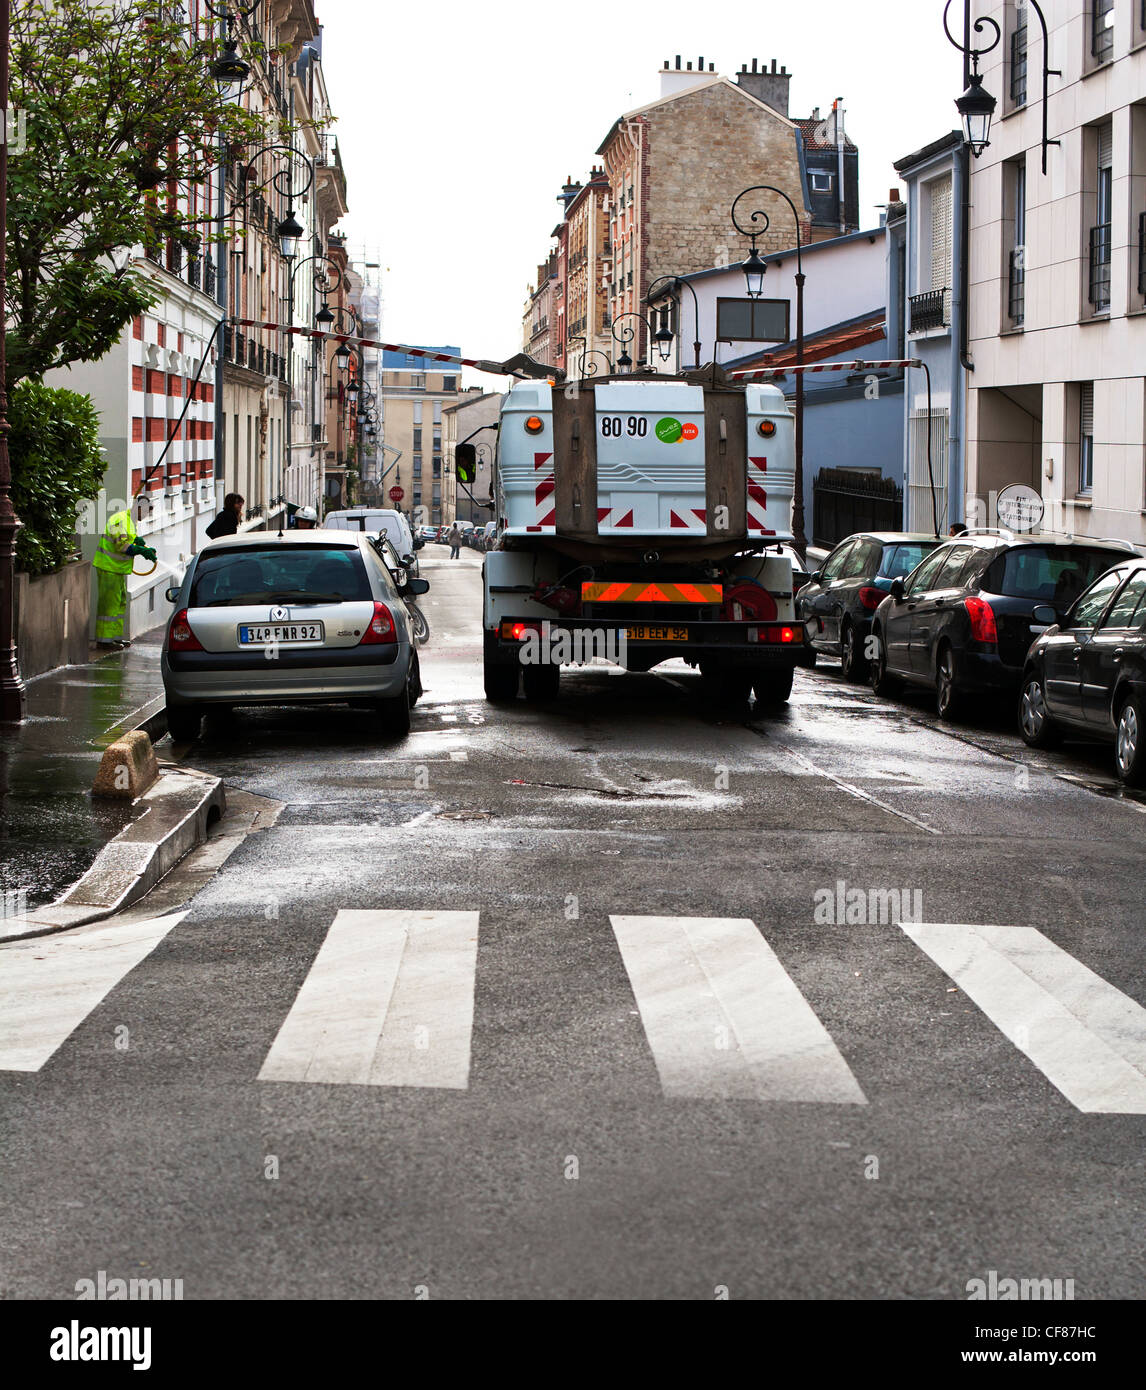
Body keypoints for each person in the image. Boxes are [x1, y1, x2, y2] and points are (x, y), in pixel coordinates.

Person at [92, 505, 156, 648]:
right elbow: (121, 546)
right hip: (108, 567)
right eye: (145, 512)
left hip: (116, 569)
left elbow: (128, 539)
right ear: (138, 508)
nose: (145, 516)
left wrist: (137, 541)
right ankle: (104, 641)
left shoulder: (130, 520)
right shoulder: (119, 520)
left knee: (120, 602)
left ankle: (114, 637)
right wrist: (140, 550)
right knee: (109, 605)